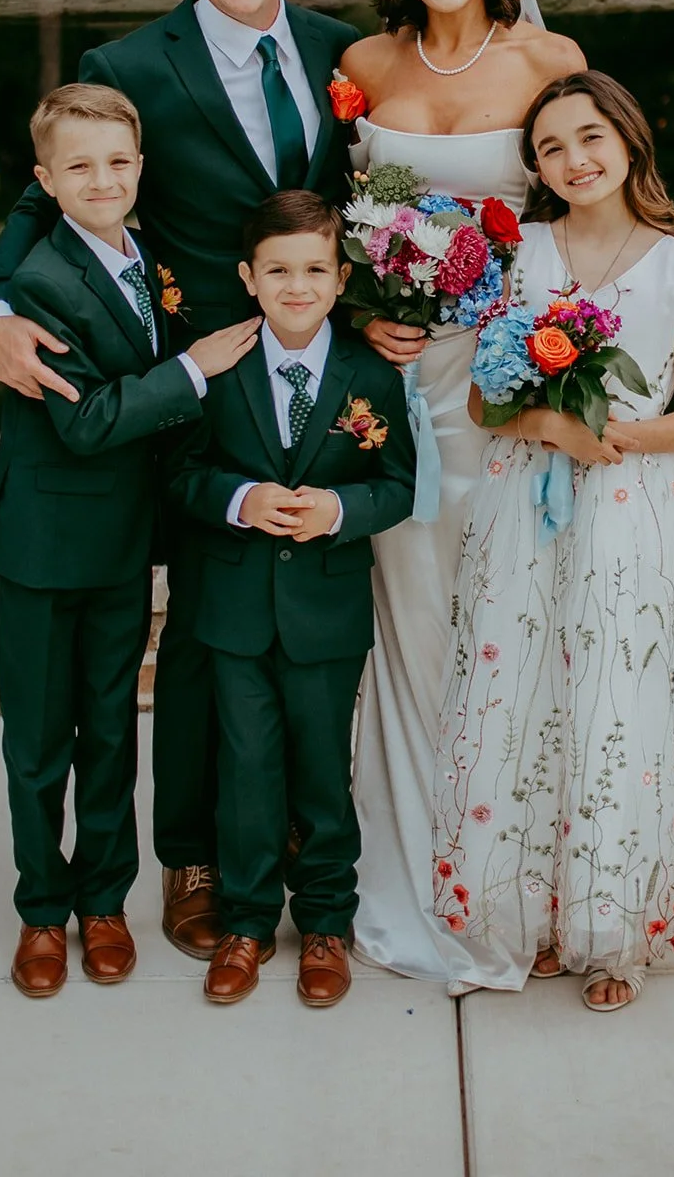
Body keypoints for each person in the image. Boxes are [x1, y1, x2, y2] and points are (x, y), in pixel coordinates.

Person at [339, 0, 674, 983]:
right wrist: (367, 310)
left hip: (533, 375)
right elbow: (344, 221)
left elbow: (596, 200)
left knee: (533, 635)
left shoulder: (551, 60)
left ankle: (555, 879)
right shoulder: (363, 64)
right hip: (415, 379)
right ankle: (429, 870)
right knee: (420, 621)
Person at [0, 0, 359, 961]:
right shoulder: (129, 60)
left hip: (324, 382)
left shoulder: (346, 56)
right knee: (201, 633)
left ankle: (299, 840)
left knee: (310, 617)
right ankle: (191, 854)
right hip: (191, 395)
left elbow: (376, 204)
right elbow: (37, 201)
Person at [433, 70, 674, 1010]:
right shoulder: (518, 255)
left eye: (591, 136)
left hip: (636, 507)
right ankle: (540, 911)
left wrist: (612, 440)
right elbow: (484, 398)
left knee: (617, 704)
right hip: (527, 505)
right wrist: (548, 428)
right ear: (535, 165)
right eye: (552, 146)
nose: (576, 159)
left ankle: (618, 935)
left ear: (629, 139)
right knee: (526, 699)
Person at [0, 84, 259, 997]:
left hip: (120, 545)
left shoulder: (151, 259)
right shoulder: (40, 283)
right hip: (42, 543)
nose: (102, 180)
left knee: (107, 728)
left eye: (116, 162)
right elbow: (90, 422)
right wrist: (195, 367)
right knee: (38, 742)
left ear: (139, 168)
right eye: (80, 166)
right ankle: (39, 911)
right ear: (45, 181)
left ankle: (104, 900)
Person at [170, 192, 416, 1007]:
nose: (297, 285)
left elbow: (398, 485)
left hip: (326, 611)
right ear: (248, 277)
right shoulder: (219, 365)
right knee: (244, 769)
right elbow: (181, 473)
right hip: (233, 610)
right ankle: (244, 921)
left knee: (319, 771)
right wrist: (239, 500)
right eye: (278, 270)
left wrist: (337, 510)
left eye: (314, 269)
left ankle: (323, 923)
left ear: (341, 277)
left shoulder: (368, 374)